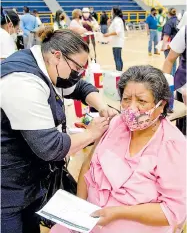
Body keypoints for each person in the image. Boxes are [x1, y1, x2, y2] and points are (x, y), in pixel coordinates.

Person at [1, 27, 118, 233]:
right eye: (77, 68)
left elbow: (80, 87)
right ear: (57, 56)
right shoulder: (23, 81)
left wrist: (102, 107)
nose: (78, 74)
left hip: (29, 181)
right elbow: (50, 147)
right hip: (7, 187)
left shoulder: (48, 65)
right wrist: (91, 134)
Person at [51, 65, 186, 233]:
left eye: (141, 101)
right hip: (90, 219)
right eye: (126, 99)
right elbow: (88, 166)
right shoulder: (115, 124)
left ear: (161, 105)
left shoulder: (172, 145)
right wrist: (80, 212)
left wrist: (118, 213)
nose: (131, 108)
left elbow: (173, 211)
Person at [163, 25, 187, 135]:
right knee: (182, 130)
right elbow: (169, 61)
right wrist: (164, 91)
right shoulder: (185, 31)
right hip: (183, 90)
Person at [104, 6, 125, 71]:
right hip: (116, 42)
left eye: (111, 11)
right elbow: (112, 29)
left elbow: (117, 32)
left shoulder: (117, 20)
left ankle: (118, 72)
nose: (111, 12)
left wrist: (108, 34)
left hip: (117, 42)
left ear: (114, 12)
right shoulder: (115, 20)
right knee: (118, 58)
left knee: (117, 58)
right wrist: (108, 24)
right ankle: (119, 71)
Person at [161, 8, 179, 76]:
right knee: (174, 63)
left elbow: (166, 35)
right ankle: (173, 78)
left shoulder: (169, 22)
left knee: (169, 62)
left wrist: (163, 46)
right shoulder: (178, 21)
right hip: (177, 45)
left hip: (169, 45)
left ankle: (170, 80)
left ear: (168, 13)